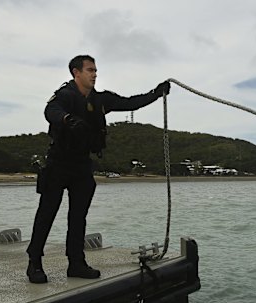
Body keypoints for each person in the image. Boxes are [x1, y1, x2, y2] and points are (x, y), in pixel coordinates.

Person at [26, 55, 170, 284]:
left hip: (82, 165)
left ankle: (76, 263)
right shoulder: (65, 95)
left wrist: (156, 93)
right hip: (58, 162)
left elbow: (130, 102)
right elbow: (50, 110)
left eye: (95, 70)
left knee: (78, 217)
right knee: (46, 213)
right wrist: (67, 119)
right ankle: (34, 262)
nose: (94, 74)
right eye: (90, 70)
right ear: (76, 72)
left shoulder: (100, 100)